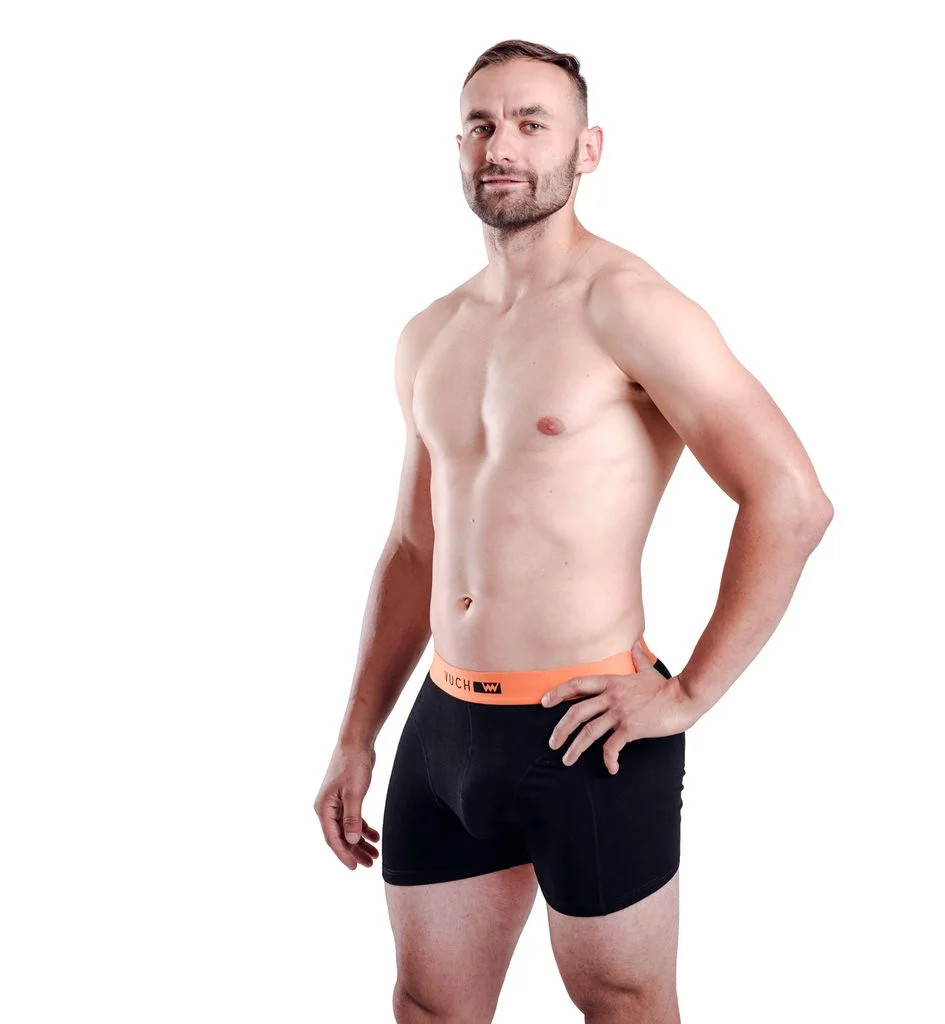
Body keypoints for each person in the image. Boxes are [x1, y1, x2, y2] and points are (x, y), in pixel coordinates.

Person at [314, 38, 833, 1024]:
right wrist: (355, 734)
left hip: (586, 727)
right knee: (428, 1004)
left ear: (586, 149)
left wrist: (688, 693)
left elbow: (791, 499)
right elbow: (415, 549)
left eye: (530, 123)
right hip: (446, 727)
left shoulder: (629, 307)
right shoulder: (430, 333)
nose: (500, 145)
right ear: (458, 147)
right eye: (480, 124)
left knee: (624, 1004)